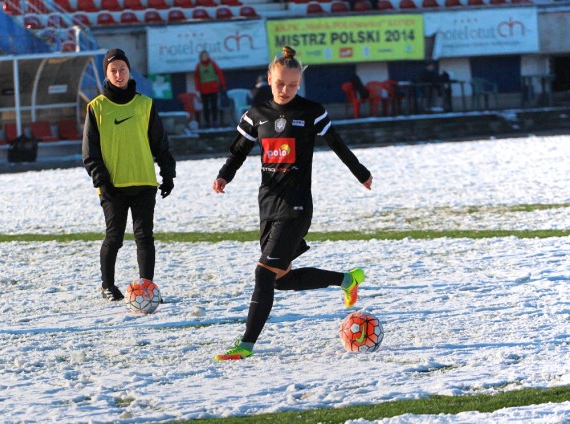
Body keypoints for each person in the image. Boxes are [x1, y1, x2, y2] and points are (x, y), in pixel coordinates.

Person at [211, 46, 374, 361]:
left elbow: (337, 144)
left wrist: (361, 173)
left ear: (300, 84)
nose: (286, 90)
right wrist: (223, 176)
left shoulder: (311, 112)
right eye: (280, 84)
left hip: (297, 207)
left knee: (262, 275)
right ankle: (347, 279)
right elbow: (238, 151)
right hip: (268, 206)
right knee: (280, 279)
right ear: (269, 79)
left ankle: (246, 345)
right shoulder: (255, 115)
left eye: (293, 85)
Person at [82, 48, 177, 301]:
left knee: (145, 237)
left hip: (144, 181)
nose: (118, 74)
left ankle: (147, 288)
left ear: (129, 71)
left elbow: (160, 144)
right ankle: (107, 286)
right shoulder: (96, 108)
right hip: (112, 185)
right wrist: (101, 179)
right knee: (114, 237)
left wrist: (168, 174)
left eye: (122, 69)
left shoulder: (145, 104)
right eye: (113, 70)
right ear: (106, 74)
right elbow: (89, 152)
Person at [194, 50, 226, 129]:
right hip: (204, 89)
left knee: (214, 106)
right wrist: (198, 89)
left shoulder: (213, 64)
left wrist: (223, 84)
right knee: (205, 107)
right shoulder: (198, 66)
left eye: (206, 55)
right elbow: (197, 78)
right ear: (201, 57)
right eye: (203, 56)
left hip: (213, 88)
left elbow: (219, 73)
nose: (205, 57)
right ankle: (207, 122)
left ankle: (215, 121)